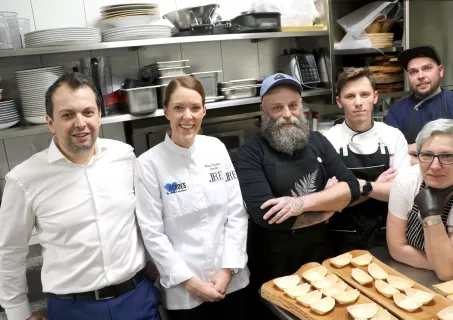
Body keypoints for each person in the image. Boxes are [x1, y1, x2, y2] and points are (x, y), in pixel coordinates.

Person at [0, 72, 161, 320]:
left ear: (99, 115)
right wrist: (19, 315)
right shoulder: (24, 179)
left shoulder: (124, 156)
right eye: (67, 115)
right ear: (50, 122)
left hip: (137, 299)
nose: (80, 123)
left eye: (88, 112)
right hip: (74, 309)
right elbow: (10, 254)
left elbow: (145, 218)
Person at [236, 73, 360, 316]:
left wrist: (300, 204)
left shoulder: (317, 141)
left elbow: (352, 188)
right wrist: (329, 206)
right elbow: (266, 216)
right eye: (277, 107)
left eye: (293, 105)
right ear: (263, 110)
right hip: (272, 264)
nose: (287, 114)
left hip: (320, 257)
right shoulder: (250, 152)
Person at [134, 76, 250, 320]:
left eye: (195, 108)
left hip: (232, 282)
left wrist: (227, 271)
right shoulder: (148, 164)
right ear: (165, 111)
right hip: (184, 292)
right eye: (178, 108)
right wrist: (191, 283)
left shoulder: (216, 148)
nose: (188, 116)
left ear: (204, 111)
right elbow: (153, 233)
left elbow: (236, 214)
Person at [323, 67, 410, 254]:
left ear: (375, 97)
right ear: (339, 101)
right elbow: (329, 202)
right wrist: (377, 185)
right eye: (350, 96)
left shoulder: (393, 136)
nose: (358, 102)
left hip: (387, 234)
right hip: (341, 235)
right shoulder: (328, 141)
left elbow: (401, 193)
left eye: (364, 94)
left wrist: (355, 187)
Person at [387, 119, 453, 281]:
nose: (435, 166)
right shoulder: (406, 180)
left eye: (447, 156)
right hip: (408, 273)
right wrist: (445, 265)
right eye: (427, 155)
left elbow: (449, 274)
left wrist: (431, 213)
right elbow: (396, 249)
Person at [385, 45, 453, 164]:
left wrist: (416, 148)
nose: (420, 76)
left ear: (440, 71)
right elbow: (393, 155)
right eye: (413, 72)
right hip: (415, 180)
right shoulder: (396, 111)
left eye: (427, 68)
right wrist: (445, 157)